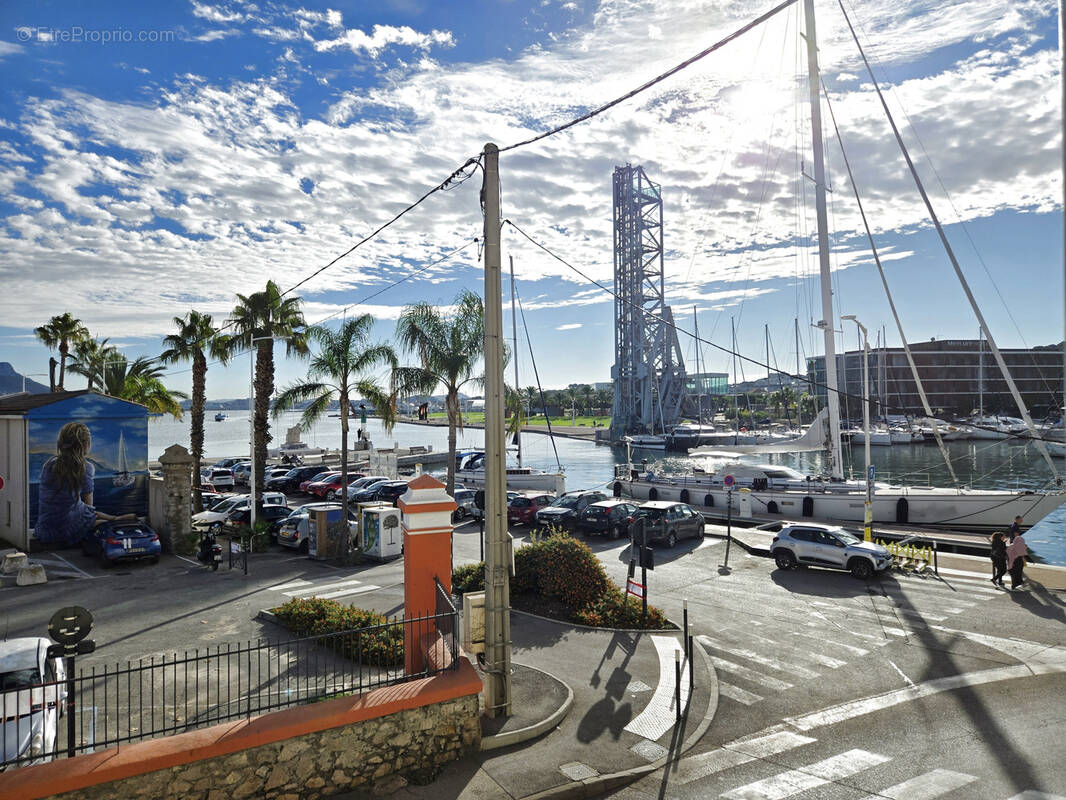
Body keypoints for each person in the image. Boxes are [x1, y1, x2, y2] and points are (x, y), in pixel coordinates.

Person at [36, 422, 134, 547]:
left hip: (45, 527)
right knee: (91, 515)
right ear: (85, 445)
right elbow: (89, 505)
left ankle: (114, 518)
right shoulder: (86, 468)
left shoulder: (49, 463)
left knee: (79, 508)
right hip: (65, 528)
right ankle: (114, 519)